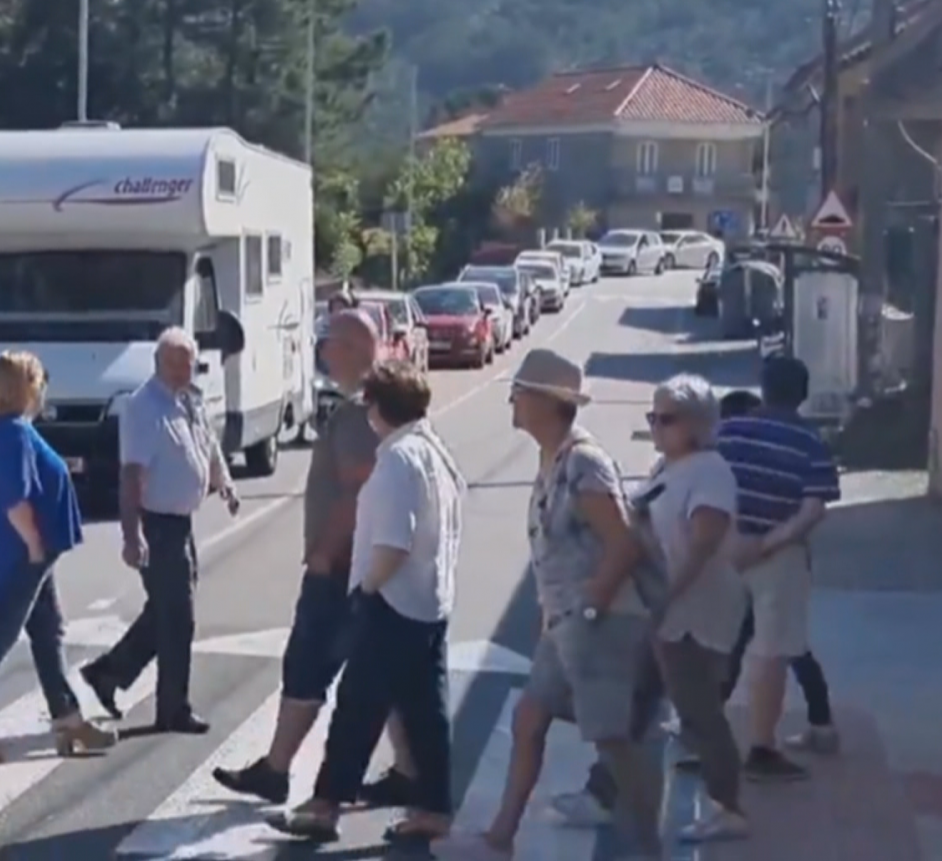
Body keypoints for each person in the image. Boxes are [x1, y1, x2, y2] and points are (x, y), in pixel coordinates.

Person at [453, 349, 663, 860]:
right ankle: (500, 837)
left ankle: (648, 848)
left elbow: (624, 543)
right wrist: (552, 619)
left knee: (613, 740)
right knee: (529, 718)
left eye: (519, 392)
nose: (512, 402)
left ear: (546, 402)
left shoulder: (584, 463)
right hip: (565, 621)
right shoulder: (554, 458)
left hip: (602, 621)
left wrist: (591, 606)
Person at [213, 310, 420, 806]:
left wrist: (324, 554)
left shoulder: (358, 412)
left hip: (344, 567)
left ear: (351, 348)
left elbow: (356, 488)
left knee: (310, 665)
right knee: (376, 670)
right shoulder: (379, 405)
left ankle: (286, 774)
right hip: (367, 566)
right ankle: (406, 769)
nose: (322, 351)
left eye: (329, 342)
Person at [263, 359, 464, 845]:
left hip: (392, 604)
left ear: (378, 407)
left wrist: (367, 589)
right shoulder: (435, 451)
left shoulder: (396, 459)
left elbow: (394, 542)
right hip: (430, 602)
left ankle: (324, 805)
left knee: (356, 707)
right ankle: (434, 808)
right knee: (424, 712)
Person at [0, 351, 114, 763]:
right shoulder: (11, 433)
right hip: (21, 551)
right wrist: (35, 544)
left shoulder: (11, 430)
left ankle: (67, 718)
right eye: (37, 380)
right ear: (23, 388)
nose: (42, 388)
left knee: (47, 629)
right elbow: (15, 498)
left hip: (30, 550)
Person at [80, 328, 239, 734]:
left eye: (190, 362)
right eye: (178, 363)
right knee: (178, 618)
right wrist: (132, 535)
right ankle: (173, 708)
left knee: (166, 611)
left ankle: (108, 673)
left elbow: (207, 445)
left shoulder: (188, 400)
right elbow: (132, 473)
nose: (187, 369)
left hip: (182, 523)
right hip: (157, 524)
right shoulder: (143, 407)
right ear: (160, 363)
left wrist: (224, 483)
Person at [636, 374, 749, 842]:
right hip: (662, 607)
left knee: (698, 710)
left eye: (666, 419)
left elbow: (704, 544)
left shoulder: (709, 470)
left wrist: (665, 598)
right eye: (652, 417)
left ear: (698, 424)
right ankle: (604, 790)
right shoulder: (666, 467)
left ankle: (729, 807)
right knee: (636, 698)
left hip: (694, 609)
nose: (656, 427)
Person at [717, 356, 841, 781]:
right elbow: (812, 511)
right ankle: (761, 749)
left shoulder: (728, 430)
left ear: (764, 388)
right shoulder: (812, 443)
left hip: (724, 551)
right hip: (781, 558)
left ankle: (703, 737)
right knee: (772, 654)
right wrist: (767, 544)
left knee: (717, 644)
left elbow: (709, 487)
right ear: (802, 395)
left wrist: (734, 539)